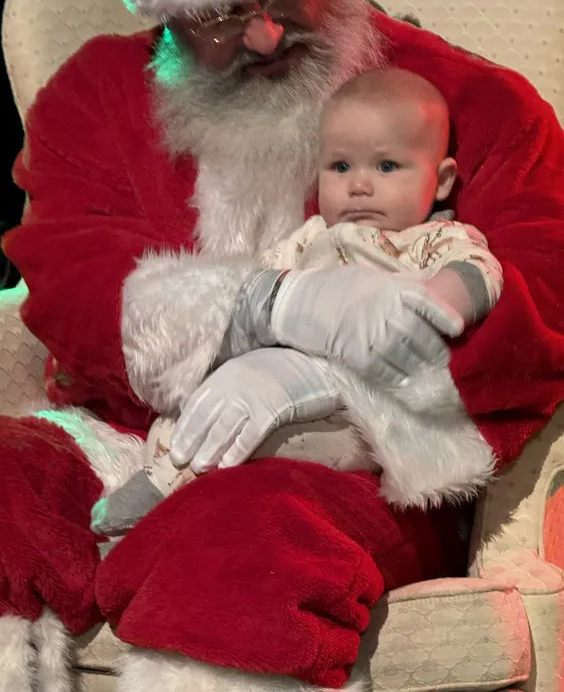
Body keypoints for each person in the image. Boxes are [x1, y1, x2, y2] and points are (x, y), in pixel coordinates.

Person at [1, 0, 564, 690]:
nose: (266, 37)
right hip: (138, 439)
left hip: (350, 462)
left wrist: (319, 379)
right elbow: (72, 278)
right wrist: (264, 305)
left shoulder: (472, 101)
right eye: (218, 15)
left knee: (244, 540)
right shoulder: (95, 93)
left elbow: (543, 303)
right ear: (165, 10)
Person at [90, 66, 504, 538]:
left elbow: (480, 269)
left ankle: (170, 495)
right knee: (195, 413)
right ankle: (163, 482)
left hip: (361, 398)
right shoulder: (310, 238)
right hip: (285, 371)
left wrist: (439, 298)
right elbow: (255, 285)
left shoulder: (431, 239)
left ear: (443, 179)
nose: (359, 185)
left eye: (386, 166)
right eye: (340, 167)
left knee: (269, 441)